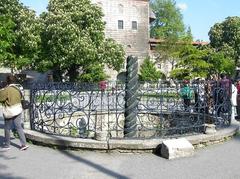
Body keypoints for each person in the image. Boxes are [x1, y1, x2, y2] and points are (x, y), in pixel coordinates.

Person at [0, 74, 29, 151]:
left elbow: (1, 98)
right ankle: (24, 144)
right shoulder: (18, 88)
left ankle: (7, 145)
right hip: (18, 109)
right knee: (19, 127)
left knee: (7, 128)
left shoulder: (7, 89)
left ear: (7, 81)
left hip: (10, 111)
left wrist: (1, 89)